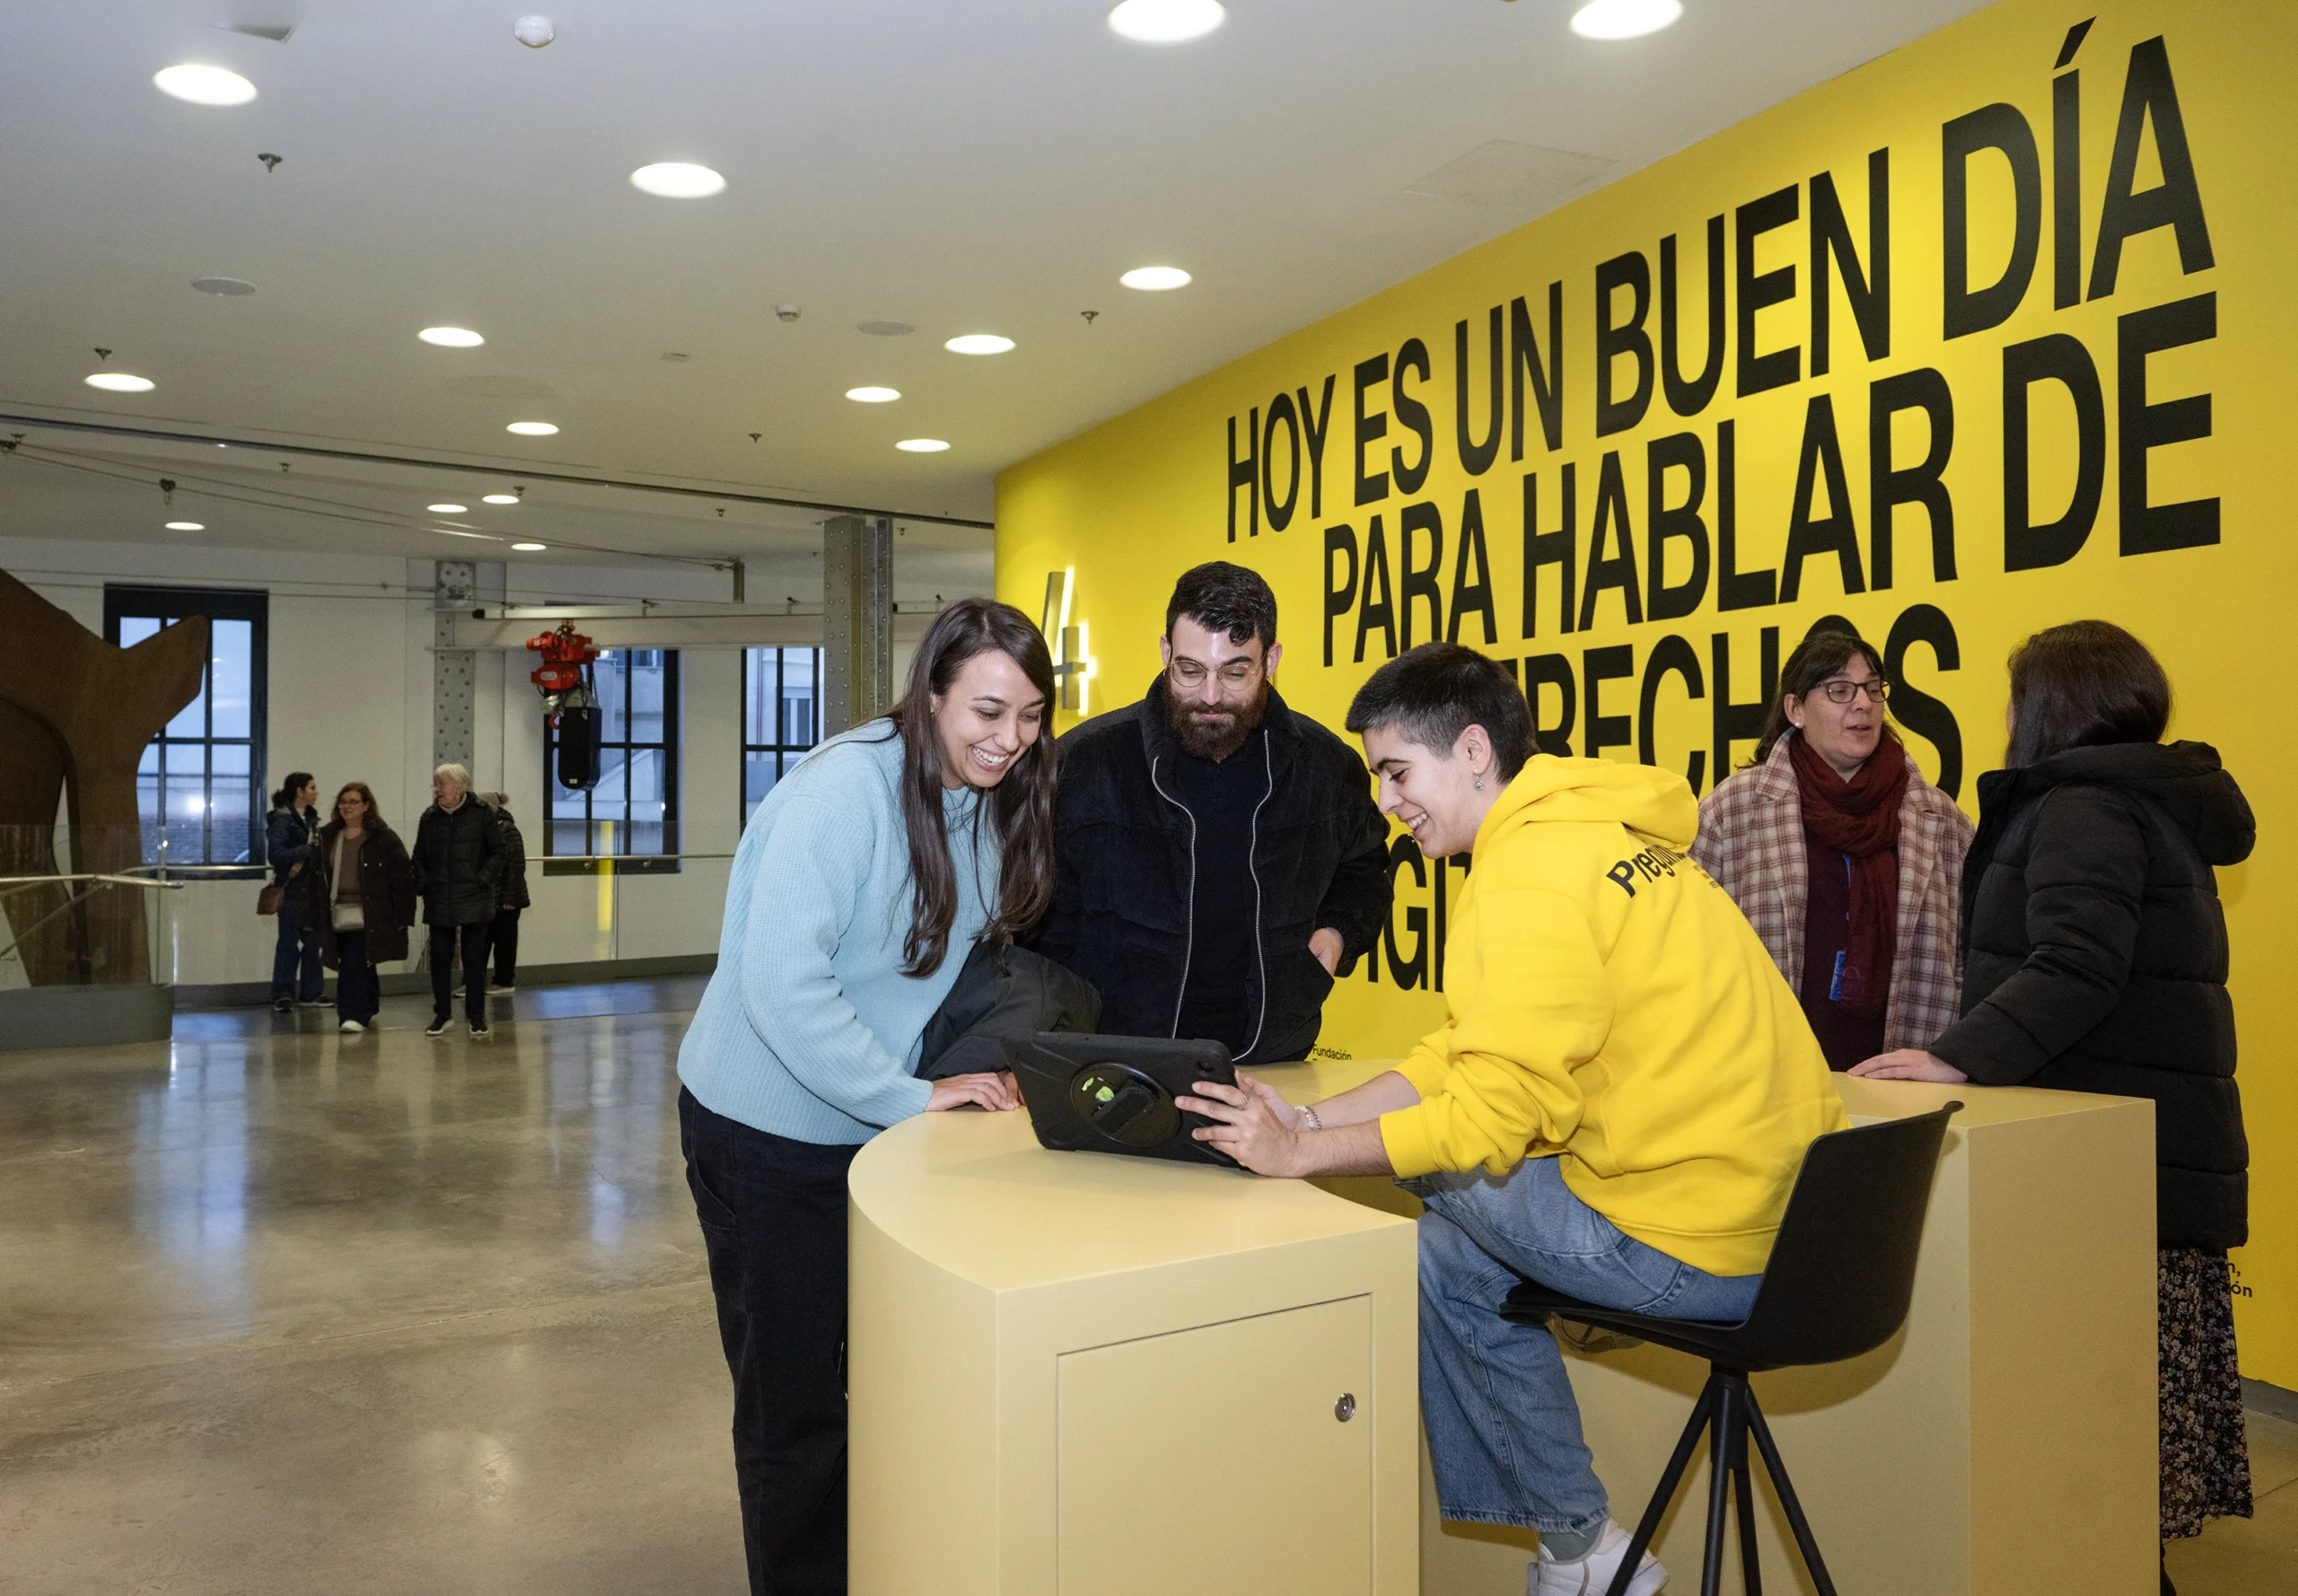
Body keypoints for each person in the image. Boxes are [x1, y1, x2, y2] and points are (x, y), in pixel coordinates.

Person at [1179, 642, 1846, 1596]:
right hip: (1799, 1228)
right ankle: (1580, 1551)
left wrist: (1300, 1154)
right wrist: (1313, 1115)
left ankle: (1579, 1543)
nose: (1387, 801)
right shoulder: (1601, 836)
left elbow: (1484, 1120)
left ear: (1476, 751)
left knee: (1434, 1177)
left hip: (1701, 1246)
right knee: (1445, 1257)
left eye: (1397, 771)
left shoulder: (1525, 875)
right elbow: (1464, 1051)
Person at [1849, 621, 2254, 1589]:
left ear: (2045, 708)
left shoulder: (2082, 806)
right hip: (2139, 1163)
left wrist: (1957, 1056)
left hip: (2107, 1179)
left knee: (2094, 1459)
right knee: (2111, 1476)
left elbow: (2075, 964)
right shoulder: (2134, 801)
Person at [676, 598, 1058, 1596]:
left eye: (1029, 716)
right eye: (985, 710)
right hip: (763, 1129)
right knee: (792, 1397)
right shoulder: (840, 796)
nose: (1009, 738)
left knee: (872, 1376)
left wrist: (941, 1079)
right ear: (929, 692)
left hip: (860, 1129)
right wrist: (903, 1096)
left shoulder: (984, 794)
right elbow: (782, 986)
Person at [1032, 561, 1390, 1065]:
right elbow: (1037, 924)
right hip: (1115, 1057)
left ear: (1271, 660)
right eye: (1190, 669)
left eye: (1235, 671)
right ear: (1165, 653)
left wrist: (1337, 935)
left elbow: (1364, 868)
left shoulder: (1327, 767)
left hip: (1272, 1055)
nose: (1210, 695)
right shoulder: (1084, 763)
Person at [1694, 629, 1974, 1069]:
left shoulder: (1938, 819)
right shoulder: (1732, 812)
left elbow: (1969, 955)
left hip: (1903, 1071)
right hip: (1766, 1071)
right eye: (1839, 690)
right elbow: (1691, 952)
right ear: (1795, 709)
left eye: (1872, 689)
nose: (1862, 703)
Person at [311, 782, 416, 1032]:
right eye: (343, 801)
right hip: (337, 912)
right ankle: (368, 1006)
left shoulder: (382, 838)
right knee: (360, 962)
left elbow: (402, 876)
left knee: (353, 962)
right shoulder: (328, 836)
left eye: (353, 802)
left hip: (371, 913)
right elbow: (317, 876)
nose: (346, 806)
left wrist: (402, 915)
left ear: (366, 806)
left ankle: (352, 1014)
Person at [412, 763, 503, 1039]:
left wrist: (483, 879)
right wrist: (424, 883)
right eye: (435, 785)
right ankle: (442, 1014)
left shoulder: (482, 814)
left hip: (475, 898)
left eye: (442, 784)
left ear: (460, 786)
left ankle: (477, 1017)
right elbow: (418, 856)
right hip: (439, 898)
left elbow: (499, 851)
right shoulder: (429, 818)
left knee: (474, 960)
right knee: (439, 959)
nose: (437, 790)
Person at [265, 771, 326, 1013]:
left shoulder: (311, 818)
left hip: (311, 890)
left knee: (312, 943)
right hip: (291, 890)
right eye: (312, 787)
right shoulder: (283, 818)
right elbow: (276, 855)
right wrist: (307, 850)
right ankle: (283, 993)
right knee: (289, 943)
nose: (316, 792)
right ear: (299, 791)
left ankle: (312, 993)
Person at [478, 792, 529, 996]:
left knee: (504, 942)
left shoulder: (508, 831)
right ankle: (475, 981)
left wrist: (509, 898)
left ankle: (504, 981)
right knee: (481, 941)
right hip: (489, 897)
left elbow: (516, 866)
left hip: (507, 899)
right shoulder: (488, 830)